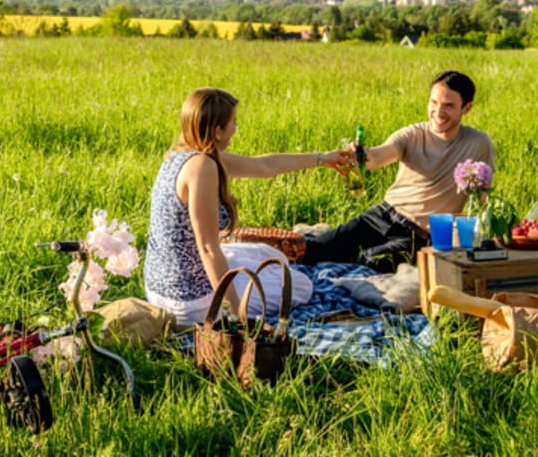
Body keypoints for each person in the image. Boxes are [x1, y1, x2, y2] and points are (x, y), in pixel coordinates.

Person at [144, 88, 351, 327]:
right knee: (300, 286)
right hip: (187, 300)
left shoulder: (183, 154)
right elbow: (209, 249)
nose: (235, 129)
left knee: (271, 255)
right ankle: (225, 307)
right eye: (234, 123)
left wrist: (323, 158)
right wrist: (235, 316)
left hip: (161, 284)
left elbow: (264, 166)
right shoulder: (202, 168)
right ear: (217, 131)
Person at [299, 70, 495, 273]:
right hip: (382, 215)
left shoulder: (479, 143)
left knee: (365, 263)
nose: (438, 112)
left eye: (448, 106)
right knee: (316, 248)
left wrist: (481, 234)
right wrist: (362, 155)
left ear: (467, 108)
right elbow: (379, 156)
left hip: (416, 234)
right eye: (434, 102)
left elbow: (482, 199)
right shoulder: (412, 134)